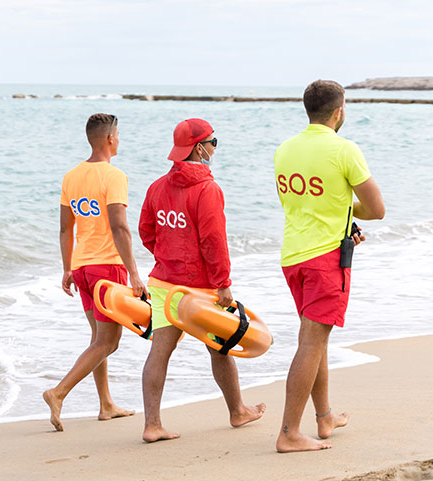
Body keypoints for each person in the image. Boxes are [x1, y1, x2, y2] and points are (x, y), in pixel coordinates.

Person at [273, 80, 385, 452]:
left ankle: (324, 418)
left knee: (313, 337)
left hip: (293, 256)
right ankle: (289, 432)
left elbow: (297, 203)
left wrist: (340, 215)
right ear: (339, 112)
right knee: (311, 341)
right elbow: (376, 209)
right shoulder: (345, 149)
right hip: (324, 261)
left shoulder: (284, 150)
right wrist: (348, 212)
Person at [138, 118, 266, 443]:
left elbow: (146, 232)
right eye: (213, 142)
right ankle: (237, 410)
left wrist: (167, 257)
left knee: (160, 350)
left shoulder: (156, 188)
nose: (214, 148)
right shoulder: (208, 189)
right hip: (199, 288)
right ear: (199, 148)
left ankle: (152, 424)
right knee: (220, 348)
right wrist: (223, 284)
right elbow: (214, 241)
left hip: (164, 285)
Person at [43, 113, 147, 432]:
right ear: (110, 139)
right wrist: (134, 274)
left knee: (97, 338)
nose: (120, 140)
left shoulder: (71, 176)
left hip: (83, 267)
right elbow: (119, 226)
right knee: (108, 342)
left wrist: (67, 268)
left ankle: (106, 405)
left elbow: (64, 229)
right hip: (107, 267)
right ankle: (58, 393)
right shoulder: (113, 176)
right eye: (119, 134)